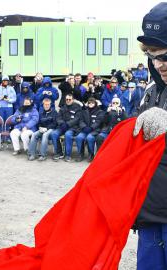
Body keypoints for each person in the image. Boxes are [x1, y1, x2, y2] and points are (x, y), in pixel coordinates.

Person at [130, 3, 167, 270]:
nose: (159, 64)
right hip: (150, 213)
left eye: (166, 55)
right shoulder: (151, 90)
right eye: (153, 55)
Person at [50, 94, 82, 162]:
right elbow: (58, 117)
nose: (68, 101)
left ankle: (68, 155)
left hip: (72, 127)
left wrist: (68, 124)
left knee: (68, 135)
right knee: (54, 134)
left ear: (72, 100)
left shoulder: (77, 108)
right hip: (62, 126)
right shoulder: (63, 108)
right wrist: (62, 123)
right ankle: (59, 152)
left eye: (69, 99)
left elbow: (77, 118)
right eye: (67, 99)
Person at [75, 97, 105, 162]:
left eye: (92, 103)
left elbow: (98, 121)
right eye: (89, 103)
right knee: (79, 137)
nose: (91, 104)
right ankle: (80, 154)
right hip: (85, 129)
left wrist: (91, 127)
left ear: (95, 103)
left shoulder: (100, 112)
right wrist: (84, 127)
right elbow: (80, 120)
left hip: (95, 130)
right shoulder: (84, 111)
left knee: (89, 138)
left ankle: (91, 154)